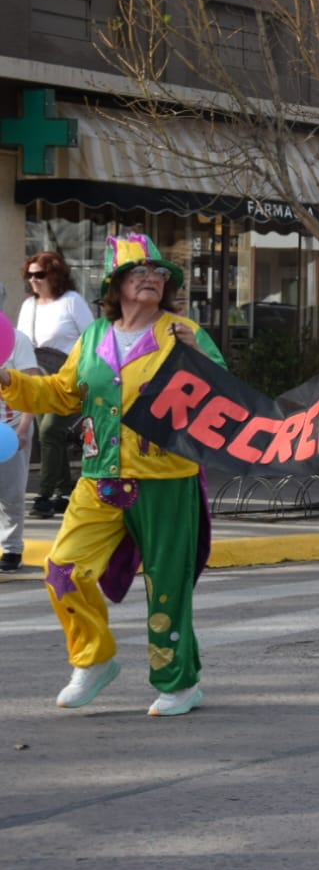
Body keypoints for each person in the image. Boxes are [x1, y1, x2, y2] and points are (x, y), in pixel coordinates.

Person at [1, 234, 227, 715]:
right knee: (62, 570)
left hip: (167, 478)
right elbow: (62, 396)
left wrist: (200, 357)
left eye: (159, 273)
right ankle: (94, 659)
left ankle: (179, 682)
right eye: (139, 272)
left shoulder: (182, 331)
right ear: (117, 283)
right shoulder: (94, 337)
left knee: (167, 582)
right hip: (100, 476)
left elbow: (222, 395)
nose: (151, 279)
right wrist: (9, 381)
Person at [18, 251, 96, 518]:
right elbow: (20, 343)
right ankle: (63, 491)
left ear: (54, 275)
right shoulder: (29, 306)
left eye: (39, 275)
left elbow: (93, 339)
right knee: (49, 435)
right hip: (37, 375)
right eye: (29, 275)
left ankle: (44, 493)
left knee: (50, 430)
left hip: (68, 376)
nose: (34, 280)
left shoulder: (72, 302)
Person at [1, 281, 41, 571]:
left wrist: (25, 427)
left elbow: (32, 386)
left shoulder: (17, 340)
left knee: (11, 492)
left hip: (11, 425)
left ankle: (12, 549)